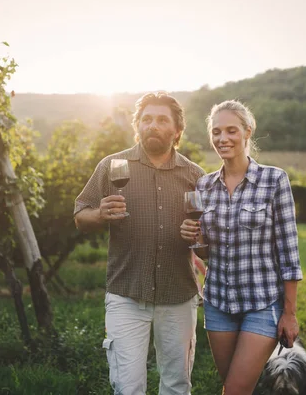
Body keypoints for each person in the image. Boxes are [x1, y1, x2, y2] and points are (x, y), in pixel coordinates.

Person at [74, 91, 205, 395]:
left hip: (178, 296)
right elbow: (81, 215)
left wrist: (199, 237)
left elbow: (209, 244)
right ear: (137, 126)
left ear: (177, 131)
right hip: (127, 295)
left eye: (162, 120)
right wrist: (100, 214)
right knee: (127, 387)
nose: (153, 126)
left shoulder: (195, 176)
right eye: (146, 119)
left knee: (176, 385)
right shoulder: (112, 166)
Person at [180, 100, 303, 395]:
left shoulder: (274, 180)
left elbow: (289, 252)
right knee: (234, 389)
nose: (223, 139)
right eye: (217, 131)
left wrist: (289, 312)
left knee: (235, 389)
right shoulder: (204, 186)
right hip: (218, 303)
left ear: (248, 132)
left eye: (231, 130)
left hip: (262, 303)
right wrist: (193, 239)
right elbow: (207, 252)